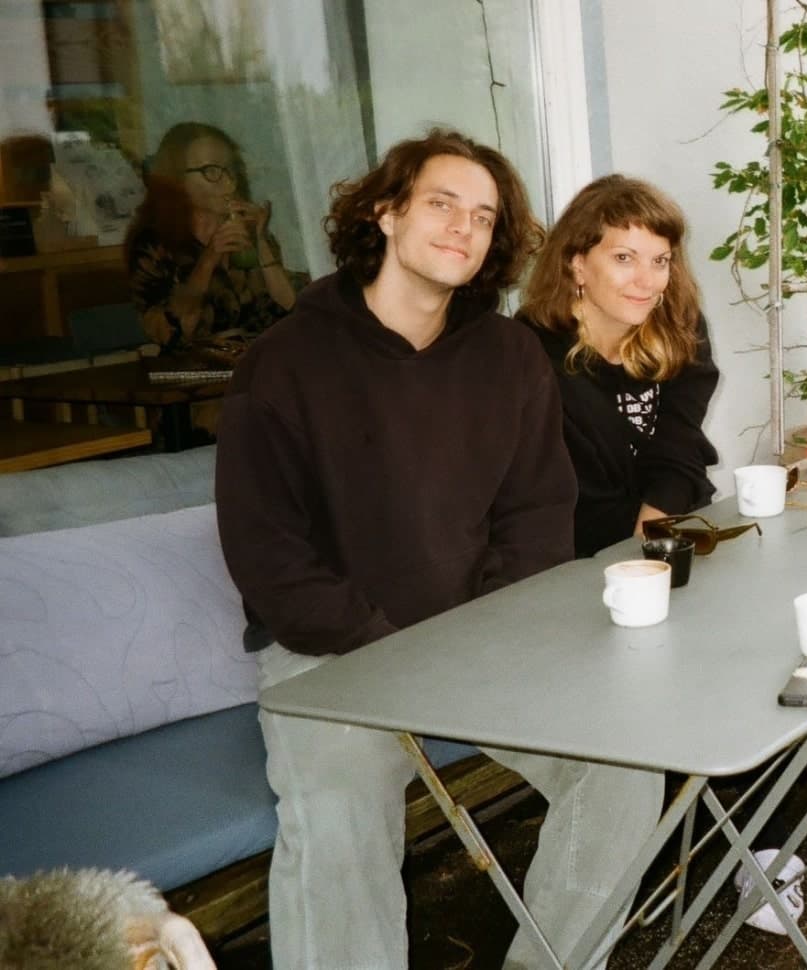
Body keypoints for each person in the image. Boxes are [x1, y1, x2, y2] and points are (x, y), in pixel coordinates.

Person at [214, 128, 662, 970]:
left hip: (475, 642)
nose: (463, 228)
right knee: (339, 803)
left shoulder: (505, 358)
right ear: (385, 213)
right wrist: (388, 647)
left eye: (484, 217)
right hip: (330, 652)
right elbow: (268, 552)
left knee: (625, 764)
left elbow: (536, 516)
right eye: (441, 204)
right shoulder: (284, 362)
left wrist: (478, 638)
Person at [518, 175, 719, 556]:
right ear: (578, 264)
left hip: (669, 527)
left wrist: (650, 550)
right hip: (575, 554)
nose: (646, 281)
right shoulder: (530, 350)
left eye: (660, 261)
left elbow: (680, 448)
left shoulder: (682, 329)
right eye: (624, 258)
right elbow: (549, 494)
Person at [125, 122, 304, 352]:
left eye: (231, 169)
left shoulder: (246, 233)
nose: (229, 181)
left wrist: (261, 241)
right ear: (177, 180)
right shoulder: (153, 244)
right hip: (199, 376)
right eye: (212, 171)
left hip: (261, 364)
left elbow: (293, 309)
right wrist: (209, 259)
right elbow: (169, 333)